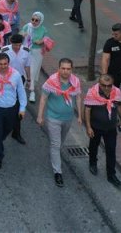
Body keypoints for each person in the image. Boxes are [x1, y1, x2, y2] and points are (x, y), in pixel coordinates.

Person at [37, 58, 83, 188]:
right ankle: (58, 172)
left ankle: (54, 154)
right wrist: (40, 115)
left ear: (71, 70)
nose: (65, 71)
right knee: (56, 144)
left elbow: (78, 97)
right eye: (63, 68)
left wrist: (79, 115)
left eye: (68, 69)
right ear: (59, 68)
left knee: (60, 142)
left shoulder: (75, 82)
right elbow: (43, 98)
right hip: (53, 118)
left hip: (68, 118)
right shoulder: (51, 81)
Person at [0, 53, 26, 170]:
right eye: (0, 64)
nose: (3, 66)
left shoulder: (16, 75)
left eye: (5, 64)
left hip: (11, 108)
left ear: (8, 63)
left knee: (8, 128)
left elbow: (21, 92)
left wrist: (22, 108)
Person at [84, 74, 121, 187]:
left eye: (109, 85)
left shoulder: (116, 92)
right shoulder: (92, 92)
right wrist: (88, 127)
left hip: (111, 128)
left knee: (111, 150)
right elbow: (87, 110)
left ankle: (111, 175)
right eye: (104, 85)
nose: (107, 88)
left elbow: (119, 105)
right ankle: (93, 163)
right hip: (96, 127)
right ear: (99, 83)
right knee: (94, 146)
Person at [21, 12, 47, 103]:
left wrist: (41, 41)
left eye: (36, 20)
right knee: (25, 70)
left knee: (33, 71)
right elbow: (21, 33)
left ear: (40, 21)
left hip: (37, 53)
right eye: (33, 19)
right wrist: (23, 35)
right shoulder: (27, 26)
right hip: (26, 51)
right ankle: (23, 87)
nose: (34, 22)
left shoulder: (43, 29)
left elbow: (46, 40)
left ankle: (32, 91)